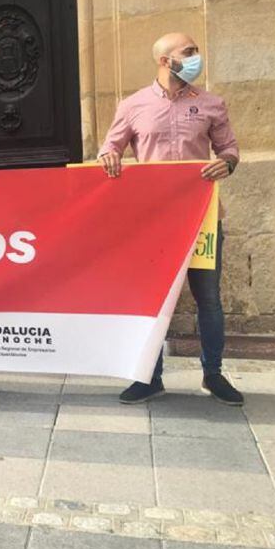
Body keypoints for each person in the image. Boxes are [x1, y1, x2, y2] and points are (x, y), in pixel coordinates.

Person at [99, 32, 243, 406]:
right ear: (166, 61)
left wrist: (226, 163)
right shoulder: (133, 105)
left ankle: (213, 375)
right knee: (154, 301)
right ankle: (150, 378)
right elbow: (109, 147)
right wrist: (109, 157)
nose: (197, 57)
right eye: (189, 52)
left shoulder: (211, 104)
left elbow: (229, 150)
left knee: (208, 298)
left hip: (202, 219)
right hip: (154, 223)